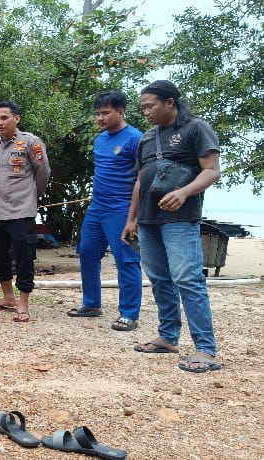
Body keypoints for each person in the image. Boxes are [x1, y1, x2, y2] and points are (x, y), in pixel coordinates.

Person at [122, 80, 222, 373]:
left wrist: (184, 192)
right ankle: (167, 337)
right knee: (159, 279)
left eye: (150, 105)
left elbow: (212, 170)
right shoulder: (147, 138)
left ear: (170, 102)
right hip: (149, 219)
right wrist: (132, 219)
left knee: (188, 279)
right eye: (142, 107)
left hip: (180, 218)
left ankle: (205, 348)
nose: (146, 112)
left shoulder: (195, 128)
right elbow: (140, 180)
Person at [68, 90, 143, 331]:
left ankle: (129, 314)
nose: (100, 118)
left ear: (121, 111)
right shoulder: (100, 139)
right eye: (97, 114)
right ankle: (91, 304)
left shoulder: (135, 139)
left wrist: (134, 217)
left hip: (121, 208)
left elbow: (142, 180)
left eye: (105, 113)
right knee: (87, 252)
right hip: (97, 207)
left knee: (126, 260)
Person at [0, 100, 51, 322]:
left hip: (22, 210)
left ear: (17, 119)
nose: (0, 123)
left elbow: (43, 173)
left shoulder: (31, 142)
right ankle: (8, 297)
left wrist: (32, 196)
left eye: (4, 118)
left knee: (24, 258)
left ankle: (23, 303)